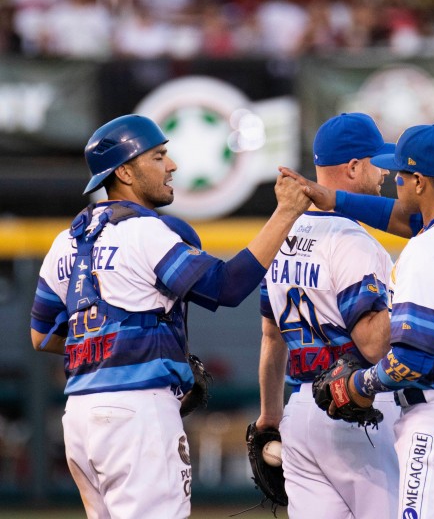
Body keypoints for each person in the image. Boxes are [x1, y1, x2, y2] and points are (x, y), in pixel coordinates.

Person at [29, 114, 310, 519]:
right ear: (124, 171)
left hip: (79, 417)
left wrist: (109, 347)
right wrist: (285, 214)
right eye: (158, 156)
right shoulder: (145, 231)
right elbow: (227, 287)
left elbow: (41, 336)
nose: (172, 165)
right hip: (136, 415)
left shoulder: (66, 241)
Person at [283, 124, 434, 518]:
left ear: (421, 182)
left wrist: (357, 385)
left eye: (403, 175)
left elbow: (409, 362)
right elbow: (404, 219)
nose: (395, 180)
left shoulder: (429, 255)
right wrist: (335, 200)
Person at [254, 112, 400, 518]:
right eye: (378, 162)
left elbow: (271, 337)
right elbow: (372, 344)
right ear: (354, 167)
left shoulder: (281, 237)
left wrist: (270, 416)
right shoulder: (355, 241)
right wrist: (412, 290)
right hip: (356, 407)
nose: (384, 173)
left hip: (300, 411)